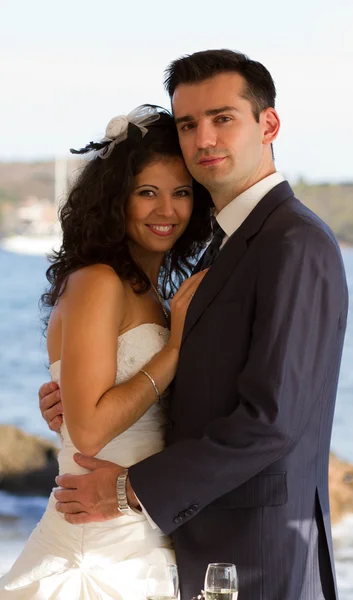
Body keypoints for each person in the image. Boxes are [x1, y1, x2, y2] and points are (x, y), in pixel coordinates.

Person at [38, 50, 348, 600]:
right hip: (188, 551)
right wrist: (84, 400)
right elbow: (209, 382)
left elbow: (271, 419)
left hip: (259, 555)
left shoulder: (294, 243)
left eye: (223, 118)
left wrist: (130, 488)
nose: (203, 138)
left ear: (268, 124)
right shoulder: (222, 249)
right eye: (188, 124)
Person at [0, 105, 212, 599]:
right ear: (116, 201)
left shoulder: (153, 292)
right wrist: (176, 348)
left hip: (139, 535)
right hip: (92, 547)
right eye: (147, 193)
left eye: (181, 193)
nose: (167, 211)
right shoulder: (99, 281)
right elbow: (92, 432)